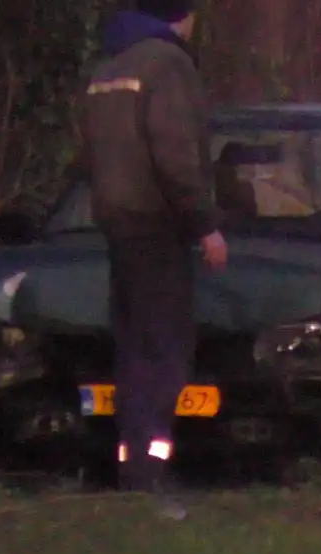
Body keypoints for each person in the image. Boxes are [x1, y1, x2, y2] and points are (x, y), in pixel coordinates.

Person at [83, 0, 228, 519]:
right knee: (164, 354)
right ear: (182, 16)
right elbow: (175, 155)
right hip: (158, 227)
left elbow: (92, 156)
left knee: (132, 352)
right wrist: (205, 225)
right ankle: (151, 479)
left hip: (117, 228)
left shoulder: (109, 66)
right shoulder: (167, 64)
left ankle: (132, 470)